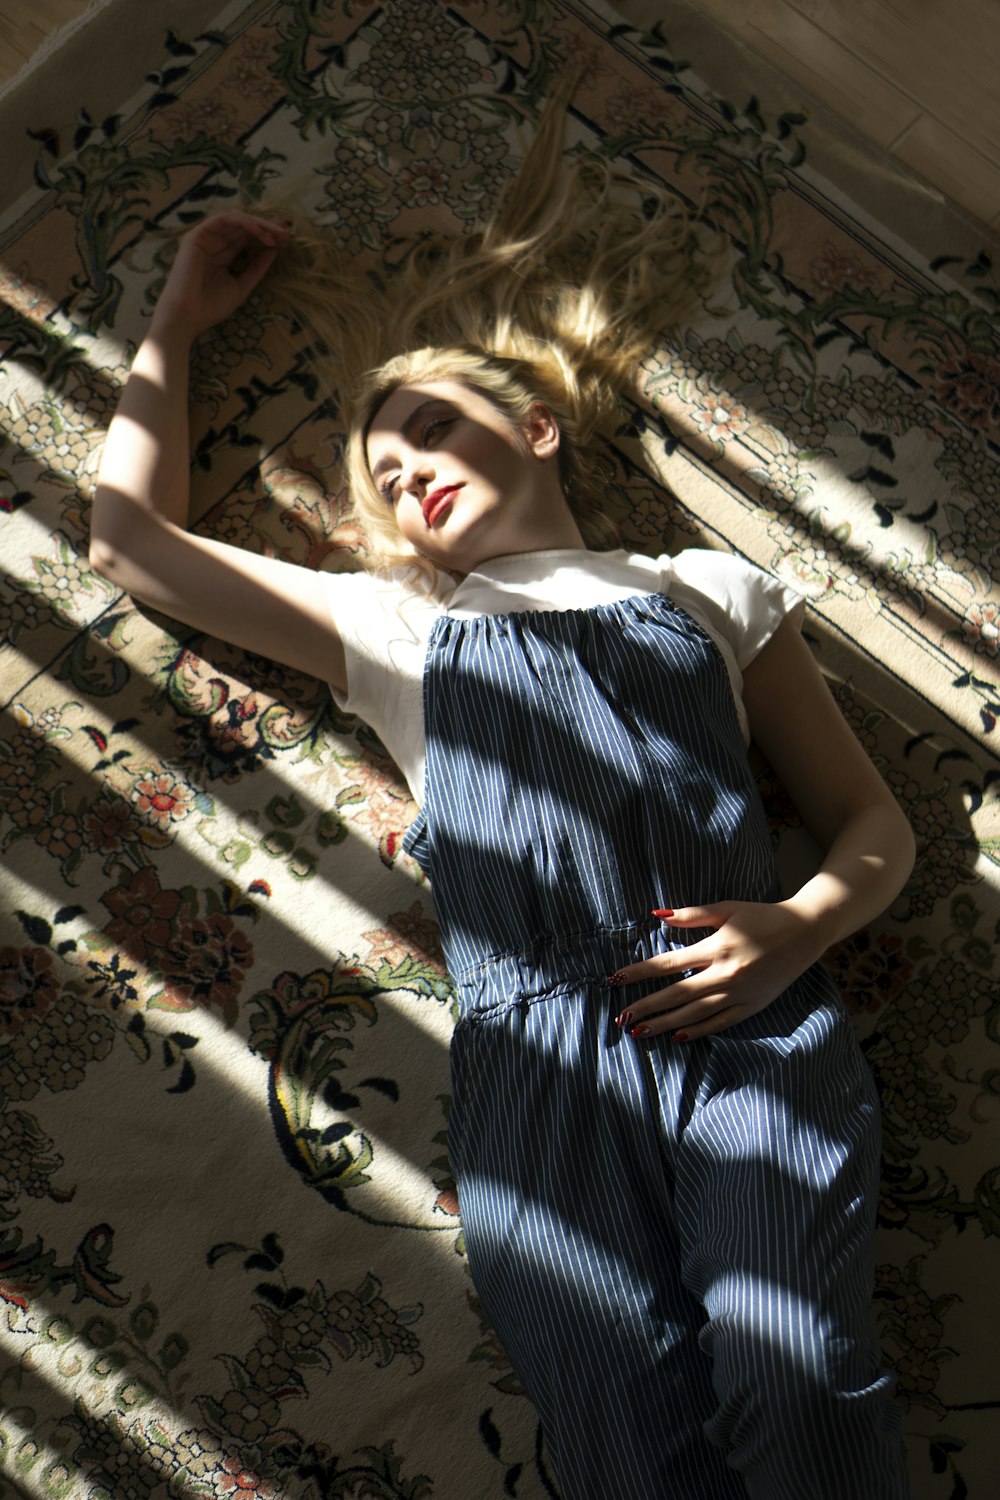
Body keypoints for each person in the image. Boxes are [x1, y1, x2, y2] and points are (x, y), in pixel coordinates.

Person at [90, 106, 915, 1500]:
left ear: (534, 426)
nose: (404, 470)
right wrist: (175, 315)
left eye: (425, 427)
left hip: (746, 1020)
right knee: (624, 1441)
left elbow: (875, 823)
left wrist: (799, 928)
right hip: (534, 1066)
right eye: (385, 476)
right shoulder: (394, 629)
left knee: (798, 1372)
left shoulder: (702, 589)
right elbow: (129, 545)